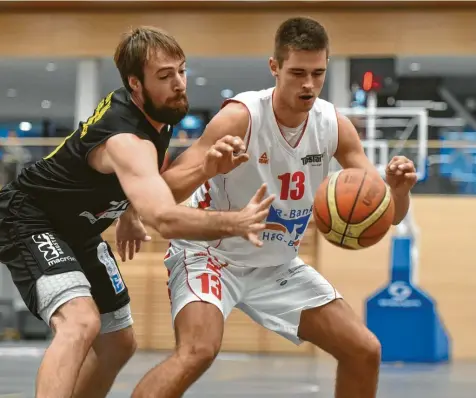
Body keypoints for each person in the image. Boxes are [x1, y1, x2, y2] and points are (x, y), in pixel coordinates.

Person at [131, 17, 418, 398]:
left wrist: (397, 192)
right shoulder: (241, 117)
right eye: (297, 72)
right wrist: (208, 167)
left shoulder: (334, 126)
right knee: (198, 351)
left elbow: (388, 215)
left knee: (364, 350)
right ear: (274, 67)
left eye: (318, 73)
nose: (308, 84)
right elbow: (159, 190)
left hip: (277, 264)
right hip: (211, 255)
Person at [0, 26, 274, 398]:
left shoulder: (157, 118)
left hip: (79, 227)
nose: (179, 83)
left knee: (118, 343)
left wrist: (132, 209)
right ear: (136, 84)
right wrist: (235, 221)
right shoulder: (126, 138)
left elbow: (152, 183)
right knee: (80, 323)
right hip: (31, 217)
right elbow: (163, 217)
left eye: (181, 70)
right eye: (165, 76)